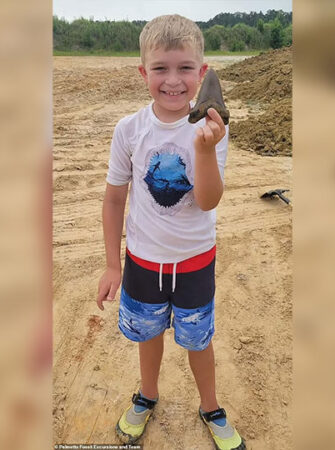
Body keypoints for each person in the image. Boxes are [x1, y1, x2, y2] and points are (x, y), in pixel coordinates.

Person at [96, 14, 245, 450]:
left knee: (198, 339)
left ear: (202, 73)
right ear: (144, 72)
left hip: (196, 261)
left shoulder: (212, 128)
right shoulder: (129, 130)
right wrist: (111, 263)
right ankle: (148, 394)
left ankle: (211, 406)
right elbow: (113, 199)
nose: (173, 81)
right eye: (161, 68)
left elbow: (208, 199)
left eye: (185, 69)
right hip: (142, 261)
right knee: (147, 334)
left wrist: (204, 148)